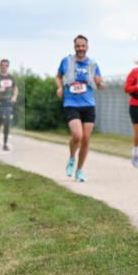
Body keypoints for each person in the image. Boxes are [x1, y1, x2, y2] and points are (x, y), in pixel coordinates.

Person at [55, 35, 103, 182]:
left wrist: (100, 83)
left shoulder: (93, 64)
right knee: (77, 135)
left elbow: (99, 83)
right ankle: (71, 158)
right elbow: (58, 76)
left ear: (87, 47)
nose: (80, 48)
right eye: (78, 46)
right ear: (74, 47)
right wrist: (59, 88)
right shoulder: (66, 61)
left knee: (86, 139)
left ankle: (80, 170)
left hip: (88, 104)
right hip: (71, 103)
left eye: (83, 46)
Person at [0, 59, 18, 151]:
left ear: (8, 66)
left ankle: (5, 144)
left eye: (6, 65)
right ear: (0, 66)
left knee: (7, 122)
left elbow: (15, 88)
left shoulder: (11, 77)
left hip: (8, 102)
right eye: (2, 65)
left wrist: (14, 96)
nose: (4, 67)